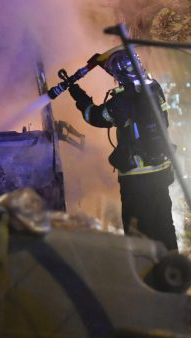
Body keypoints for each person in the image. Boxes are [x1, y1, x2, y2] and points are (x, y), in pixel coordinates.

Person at [68, 49, 178, 251]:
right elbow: (131, 84)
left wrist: (79, 96)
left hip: (136, 179)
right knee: (164, 225)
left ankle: (143, 274)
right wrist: (105, 65)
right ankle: (173, 272)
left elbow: (96, 117)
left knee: (137, 229)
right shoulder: (155, 89)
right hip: (161, 171)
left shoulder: (122, 100)